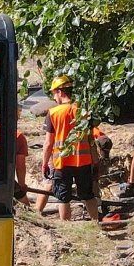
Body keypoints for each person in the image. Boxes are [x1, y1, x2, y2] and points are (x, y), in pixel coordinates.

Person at [42, 76, 103, 221]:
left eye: (54, 93)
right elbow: (90, 140)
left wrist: (45, 163)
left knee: (63, 198)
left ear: (60, 92)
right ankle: (96, 224)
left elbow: (48, 143)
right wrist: (95, 162)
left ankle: (66, 228)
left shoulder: (53, 113)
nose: (54, 97)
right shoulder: (82, 112)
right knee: (88, 195)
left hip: (61, 163)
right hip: (83, 162)